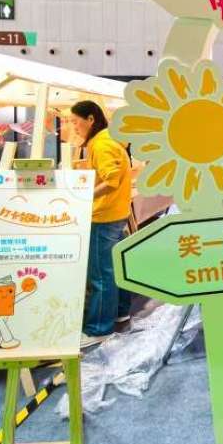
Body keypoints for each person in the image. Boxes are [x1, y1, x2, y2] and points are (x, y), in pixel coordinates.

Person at [70, 100, 133, 348]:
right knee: (113, 268)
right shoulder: (109, 140)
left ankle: (99, 328)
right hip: (115, 213)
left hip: (104, 215)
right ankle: (119, 311)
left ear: (91, 119)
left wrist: (83, 195)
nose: (73, 127)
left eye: (75, 122)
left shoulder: (102, 143)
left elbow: (111, 180)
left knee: (101, 274)